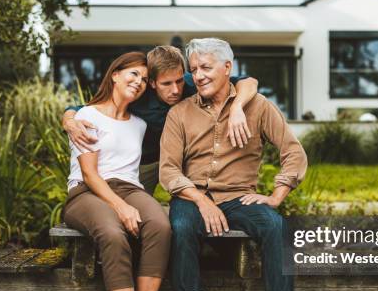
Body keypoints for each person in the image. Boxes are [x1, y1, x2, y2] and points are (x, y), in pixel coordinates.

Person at [159, 38, 312, 291]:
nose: (198, 76)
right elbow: (169, 170)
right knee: (181, 227)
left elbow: (293, 152)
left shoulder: (257, 107)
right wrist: (201, 201)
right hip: (192, 196)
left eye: (206, 67)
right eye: (194, 69)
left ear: (228, 68)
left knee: (277, 226)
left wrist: (276, 195)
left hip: (238, 196)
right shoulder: (179, 113)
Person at [62, 51, 171, 291]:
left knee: (161, 227)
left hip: (130, 188)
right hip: (86, 191)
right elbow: (92, 175)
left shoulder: (140, 124)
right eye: (132, 74)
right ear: (114, 75)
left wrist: (128, 201)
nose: (137, 82)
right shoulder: (87, 116)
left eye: (142, 78)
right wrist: (120, 206)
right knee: (112, 234)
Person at [62, 46, 259, 195]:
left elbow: (249, 82)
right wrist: (70, 120)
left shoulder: (192, 82)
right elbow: (87, 108)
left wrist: (237, 108)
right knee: (130, 207)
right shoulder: (137, 93)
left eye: (179, 81)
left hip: (185, 158)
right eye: (167, 83)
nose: (176, 90)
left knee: (198, 206)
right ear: (153, 83)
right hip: (147, 161)